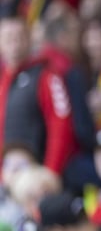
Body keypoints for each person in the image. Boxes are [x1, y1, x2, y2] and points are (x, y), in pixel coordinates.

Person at [0, 15, 77, 175]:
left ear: (29, 39)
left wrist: (51, 171)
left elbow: (60, 125)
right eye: (8, 38)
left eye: (20, 36)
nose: (14, 43)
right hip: (7, 174)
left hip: (35, 172)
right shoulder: (3, 80)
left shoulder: (46, 74)